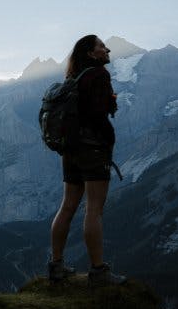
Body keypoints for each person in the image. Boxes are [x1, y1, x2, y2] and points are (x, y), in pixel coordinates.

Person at [47, 34, 126, 287]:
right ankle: (98, 271)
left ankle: (56, 266)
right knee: (94, 209)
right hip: (92, 151)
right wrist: (107, 133)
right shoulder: (99, 75)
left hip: (70, 151)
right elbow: (97, 115)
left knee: (67, 206)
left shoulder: (73, 78)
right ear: (91, 54)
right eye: (101, 46)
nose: (107, 49)